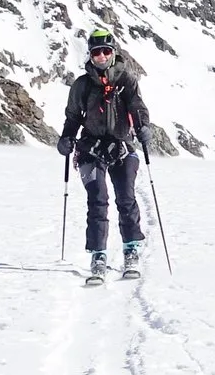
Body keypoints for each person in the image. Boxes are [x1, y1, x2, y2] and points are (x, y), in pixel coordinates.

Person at [59, 27, 153, 278]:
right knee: (98, 199)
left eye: (106, 51)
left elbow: (138, 108)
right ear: (90, 55)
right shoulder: (81, 85)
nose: (101, 56)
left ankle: (131, 250)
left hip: (123, 146)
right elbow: (72, 117)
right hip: (91, 148)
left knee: (126, 197)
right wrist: (66, 138)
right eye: (96, 52)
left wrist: (143, 128)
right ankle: (98, 254)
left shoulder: (126, 80)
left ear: (113, 52)